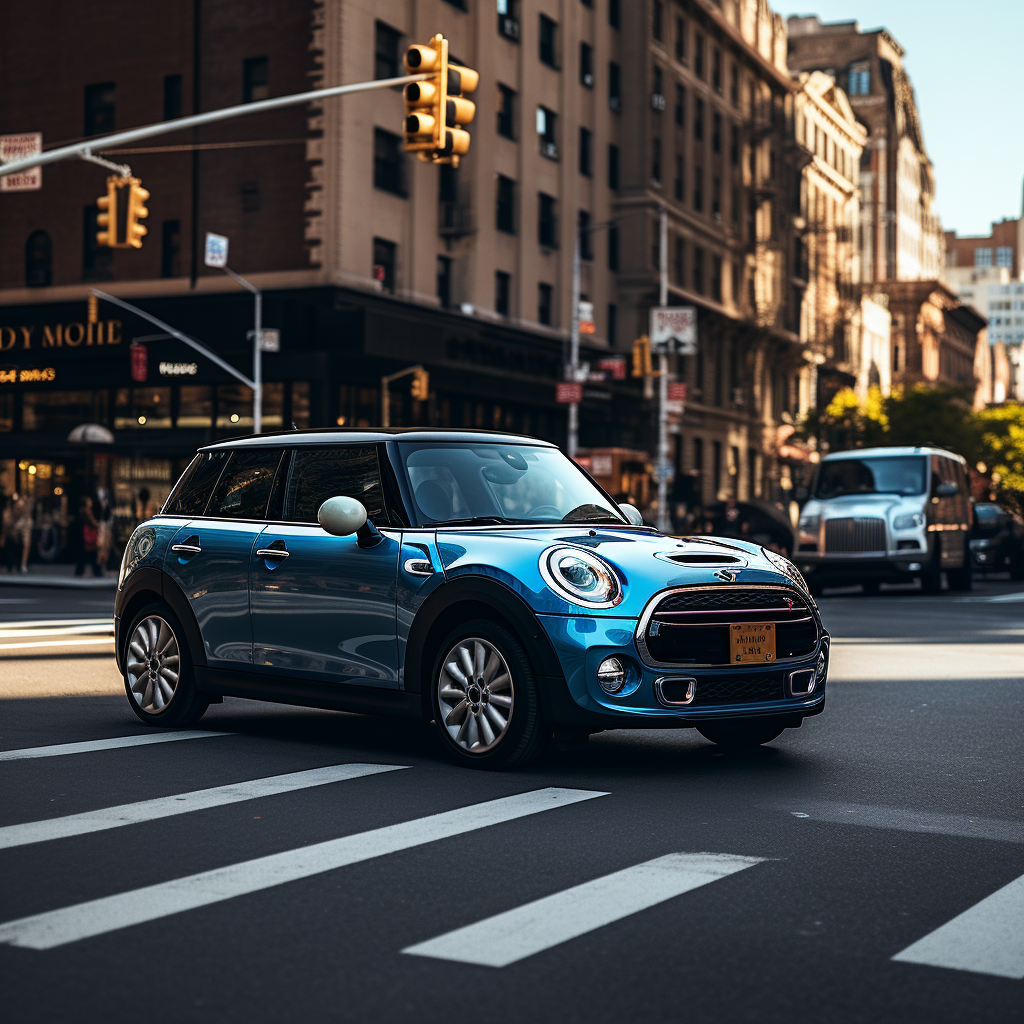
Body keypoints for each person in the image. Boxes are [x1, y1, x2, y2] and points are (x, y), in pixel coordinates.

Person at [74, 496, 102, 577]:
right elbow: (93, 523)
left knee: (83, 555)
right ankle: (97, 571)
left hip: (84, 536)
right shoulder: (87, 512)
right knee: (92, 554)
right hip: (88, 535)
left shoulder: (81, 512)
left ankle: (80, 571)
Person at [12, 494, 33, 574]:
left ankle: (23, 563)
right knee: (17, 544)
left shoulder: (29, 502)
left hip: (26, 524)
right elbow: (16, 513)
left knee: (26, 545)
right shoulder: (19, 503)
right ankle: (19, 563)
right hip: (19, 524)